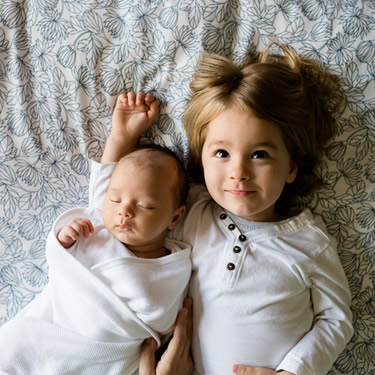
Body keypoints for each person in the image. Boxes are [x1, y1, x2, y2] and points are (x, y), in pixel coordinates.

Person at [89, 44, 353, 375]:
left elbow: (336, 319)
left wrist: (294, 371)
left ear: (290, 168)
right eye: (221, 154)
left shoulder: (308, 241)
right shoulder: (190, 212)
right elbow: (114, 210)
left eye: (259, 154)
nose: (238, 172)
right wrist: (120, 139)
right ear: (201, 159)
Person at [0, 94, 192, 375]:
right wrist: (123, 133)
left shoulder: (175, 265)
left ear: (175, 217)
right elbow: (107, 178)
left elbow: (160, 321)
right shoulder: (98, 226)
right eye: (115, 200)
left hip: (103, 354)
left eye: (145, 205)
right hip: (50, 329)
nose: (124, 212)